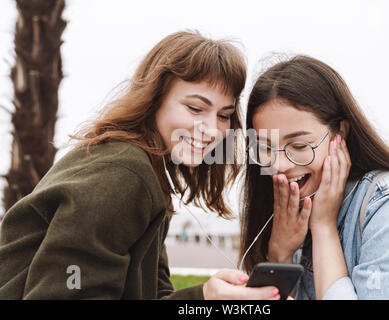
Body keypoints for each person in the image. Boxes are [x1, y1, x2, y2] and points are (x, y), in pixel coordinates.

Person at [0, 31, 280, 300]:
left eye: (224, 115)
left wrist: (205, 296)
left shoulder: (148, 173)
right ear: (154, 99)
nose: (211, 130)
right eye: (195, 108)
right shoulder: (123, 175)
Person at [239, 55, 389, 299]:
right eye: (265, 148)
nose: (279, 165)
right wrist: (280, 256)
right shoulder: (293, 218)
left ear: (340, 133)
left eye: (298, 145)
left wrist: (324, 227)